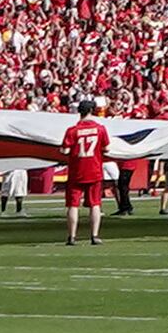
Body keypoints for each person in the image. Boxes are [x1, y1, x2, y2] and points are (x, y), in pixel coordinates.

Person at [61, 96, 114, 245]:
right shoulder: (100, 129)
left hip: (76, 171)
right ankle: (94, 235)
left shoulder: (72, 130)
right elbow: (106, 148)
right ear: (92, 110)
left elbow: (64, 150)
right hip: (94, 169)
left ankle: (72, 236)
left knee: (73, 205)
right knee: (95, 204)